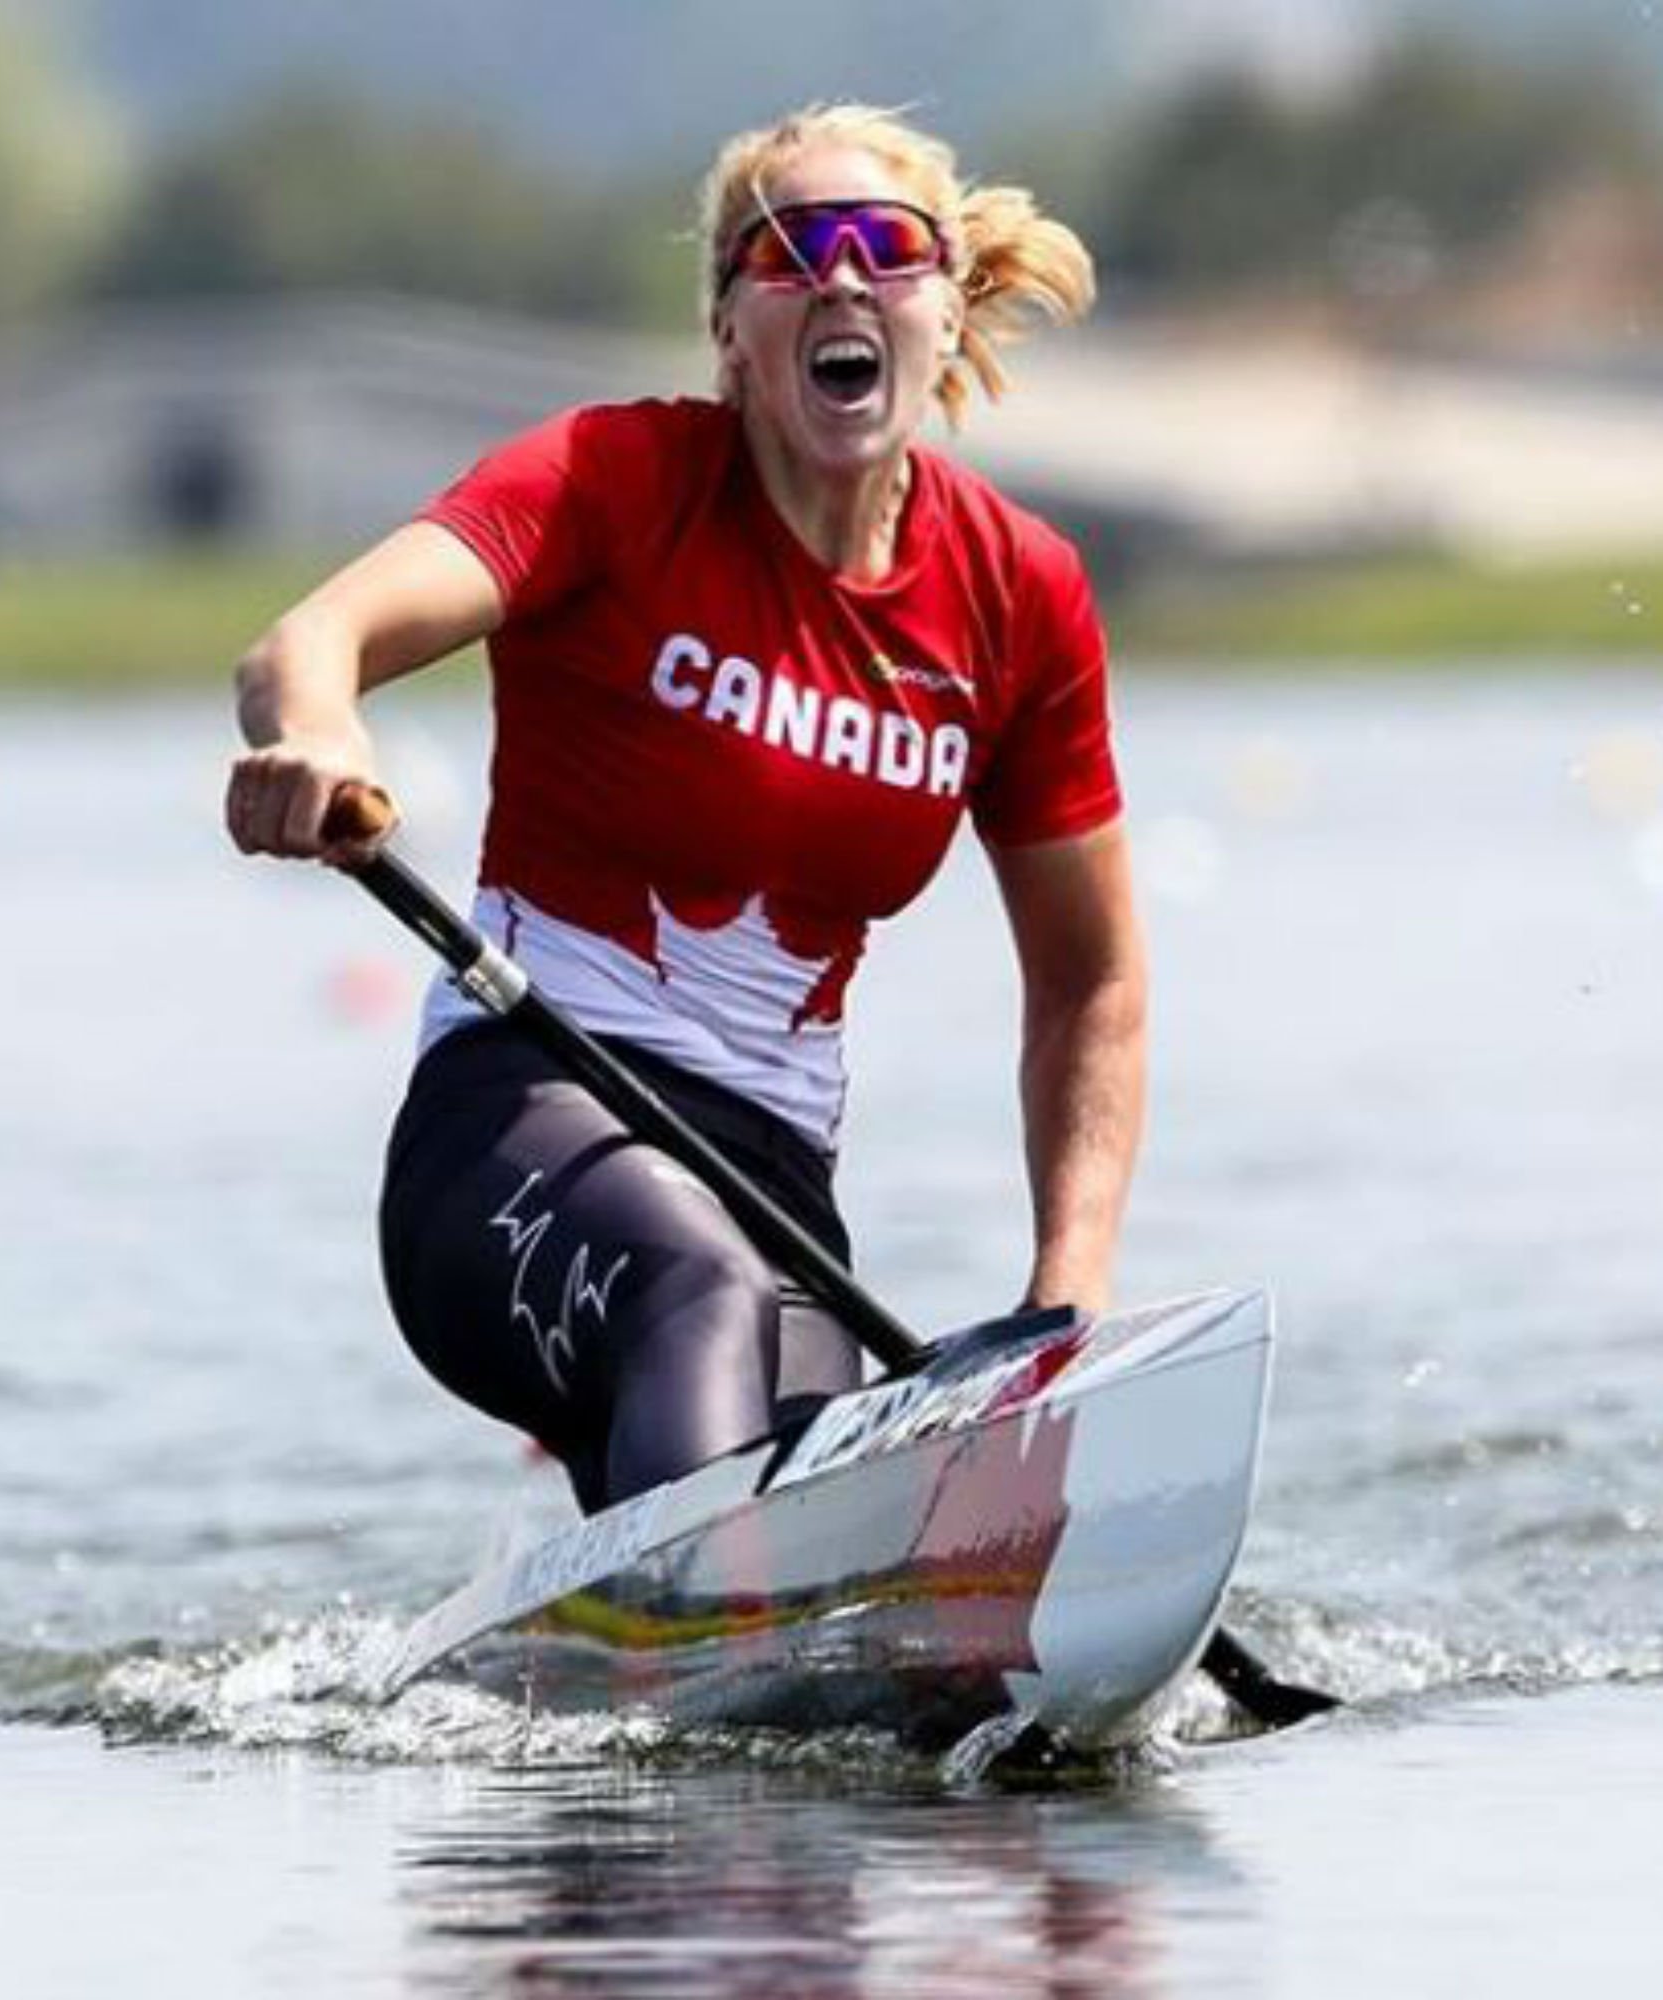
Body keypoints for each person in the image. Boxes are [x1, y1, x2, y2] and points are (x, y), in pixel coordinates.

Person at [224, 102, 1146, 1517]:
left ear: (948, 311)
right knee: (694, 1289)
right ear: (730, 334)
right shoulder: (610, 481)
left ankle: (678, 1661)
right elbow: (307, 645)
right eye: (788, 255)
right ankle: (714, 1634)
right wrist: (319, 744)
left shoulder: (1019, 596)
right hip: (519, 1117)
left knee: (839, 1470)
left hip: (774, 1182)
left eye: (886, 250)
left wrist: (1059, 1313)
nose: (841, 279)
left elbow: (1090, 986)